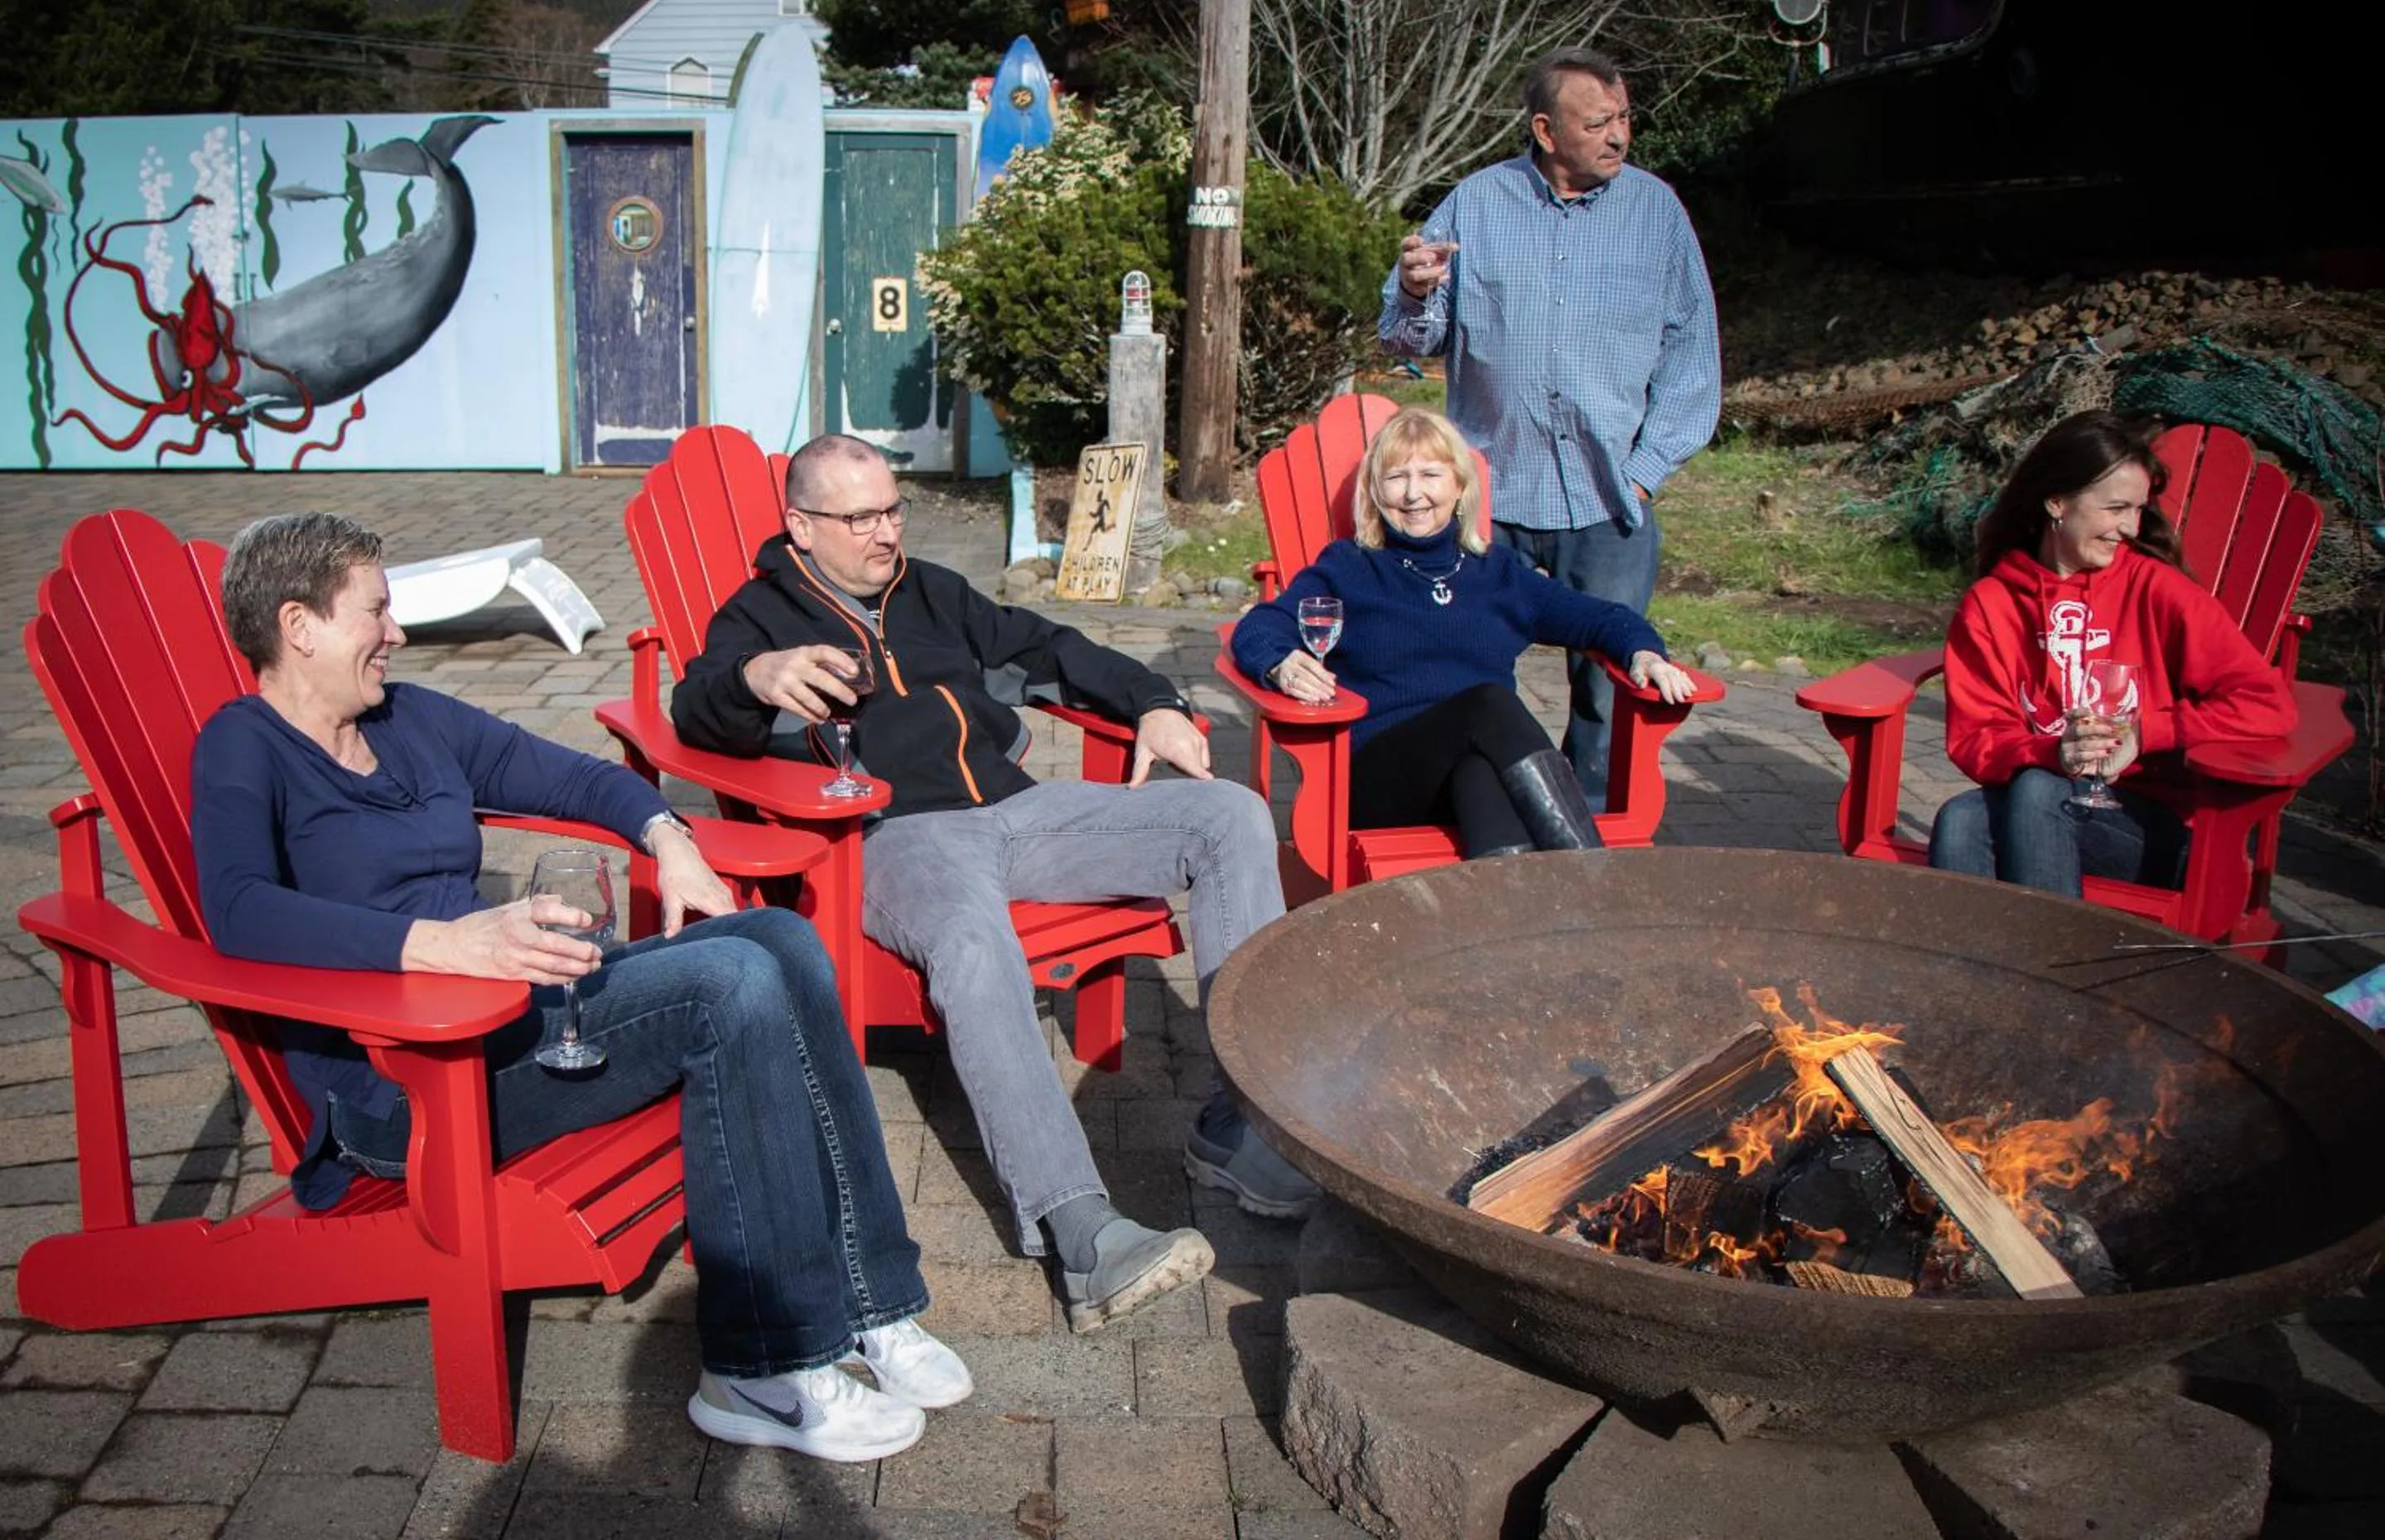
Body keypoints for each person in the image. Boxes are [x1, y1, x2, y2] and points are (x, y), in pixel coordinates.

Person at [190, 513, 966, 1465]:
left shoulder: (406, 717)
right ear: (298, 625)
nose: (394, 632)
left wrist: (669, 840)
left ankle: (870, 1300)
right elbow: (236, 912)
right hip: (407, 1084)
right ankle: (759, 1367)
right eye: (375, 612)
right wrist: (444, 945)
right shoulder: (244, 746)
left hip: (520, 1021)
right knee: (727, 982)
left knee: (781, 939)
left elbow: (567, 777)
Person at [668, 435, 1317, 1333]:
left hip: (1019, 813)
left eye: (893, 509)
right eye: (860, 518)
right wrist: (753, 677)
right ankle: (1081, 1232)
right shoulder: (759, 616)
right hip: (892, 839)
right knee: (974, 941)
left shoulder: (931, 591)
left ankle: (1242, 1127)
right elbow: (694, 709)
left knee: (1232, 816)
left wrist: (1156, 704)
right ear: (801, 526)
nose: (886, 532)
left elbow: (1051, 644)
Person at [1379, 46, 1721, 806]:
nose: (1619, 136)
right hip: (1490, 494)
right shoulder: (1475, 203)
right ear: (1544, 128)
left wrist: (1643, 468)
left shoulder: (1657, 212)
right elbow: (1408, 341)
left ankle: (1590, 825)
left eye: (1625, 117)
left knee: (1607, 683)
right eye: (1598, 122)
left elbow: (1695, 357)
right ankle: (1478, 801)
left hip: (1608, 497)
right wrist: (1410, 290)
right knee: (1463, 663)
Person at [1232, 407, 1695, 855]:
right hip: (1379, 782)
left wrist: (1644, 653)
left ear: (1459, 486)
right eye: (1396, 478)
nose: (1414, 494)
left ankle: (1515, 920)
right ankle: (1593, 877)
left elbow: (1601, 618)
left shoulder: (1497, 574)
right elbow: (1261, 627)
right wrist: (1280, 663)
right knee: (1488, 703)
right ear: (1375, 492)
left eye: (1430, 476)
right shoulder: (1349, 568)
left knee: (1479, 774)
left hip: (1469, 773)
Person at [1930, 411, 2297, 896]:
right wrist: (2052, 751)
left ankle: (2048, 966)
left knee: (2036, 791)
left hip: (2150, 833)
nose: (2129, 527)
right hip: (2042, 811)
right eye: (2115, 508)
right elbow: (1976, 738)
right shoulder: (1992, 606)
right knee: (1959, 819)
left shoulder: (2157, 592)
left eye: (2138, 509)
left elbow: (2267, 705)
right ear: (2057, 502)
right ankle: (1985, 969)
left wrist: (2147, 731)